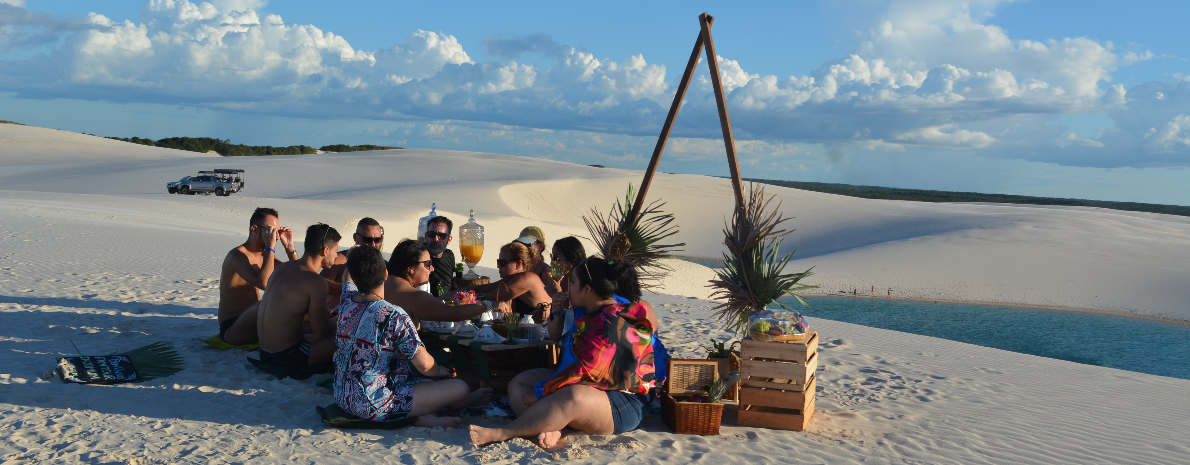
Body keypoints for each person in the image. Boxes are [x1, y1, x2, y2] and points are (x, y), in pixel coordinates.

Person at [470, 258, 656, 448]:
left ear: (587, 290)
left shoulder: (611, 321)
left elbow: (585, 370)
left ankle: (504, 432)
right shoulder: (587, 310)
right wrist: (557, 310)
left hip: (622, 401)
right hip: (588, 386)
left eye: (573, 281)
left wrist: (542, 392)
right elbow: (556, 336)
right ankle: (553, 424)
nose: (568, 286)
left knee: (572, 397)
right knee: (521, 382)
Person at [334, 246, 493, 427]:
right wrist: (440, 371)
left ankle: (429, 415)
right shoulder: (392, 314)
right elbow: (425, 364)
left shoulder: (347, 301)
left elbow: (348, 276)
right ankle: (425, 417)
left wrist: (355, 256)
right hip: (375, 403)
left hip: (345, 396)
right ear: (386, 275)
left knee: (428, 384)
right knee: (458, 387)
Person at [256, 224, 341, 367]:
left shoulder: (283, 268)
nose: (337, 255)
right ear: (325, 250)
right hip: (286, 356)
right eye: (336, 250)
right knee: (348, 338)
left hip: (264, 353)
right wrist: (339, 320)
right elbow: (321, 331)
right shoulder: (315, 280)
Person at [218, 207, 297, 346]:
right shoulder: (237, 256)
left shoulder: (264, 255)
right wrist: (270, 247)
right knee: (268, 303)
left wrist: (290, 249)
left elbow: (297, 276)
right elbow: (264, 283)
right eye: (271, 231)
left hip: (256, 320)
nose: (277, 237)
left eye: (277, 232)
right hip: (233, 328)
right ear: (255, 229)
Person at [384, 239, 497, 324]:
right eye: (427, 264)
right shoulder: (412, 295)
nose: (432, 269)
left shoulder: (381, 284)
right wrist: (489, 305)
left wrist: (441, 299)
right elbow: (453, 314)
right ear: (410, 267)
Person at [463, 241, 552, 323]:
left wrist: (461, 297)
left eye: (503, 262)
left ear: (518, 264)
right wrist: (456, 293)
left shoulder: (527, 279)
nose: (498, 266)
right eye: (498, 262)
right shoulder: (511, 279)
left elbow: (491, 296)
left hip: (544, 334)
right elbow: (481, 288)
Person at [320, 217, 384, 285]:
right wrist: (349, 290)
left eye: (378, 240)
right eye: (367, 239)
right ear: (355, 237)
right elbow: (320, 284)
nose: (373, 244)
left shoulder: (383, 264)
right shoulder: (339, 259)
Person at [424, 216, 457, 297]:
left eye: (442, 236)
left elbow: (450, 281)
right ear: (426, 236)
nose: (436, 239)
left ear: (449, 239)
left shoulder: (449, 256)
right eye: (431, 234)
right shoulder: (416, 254)